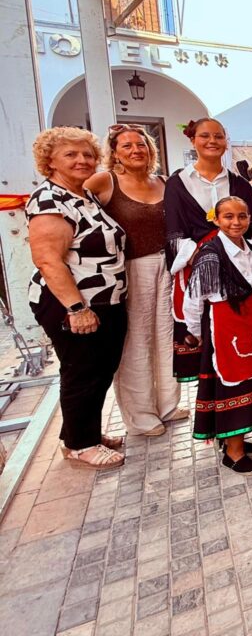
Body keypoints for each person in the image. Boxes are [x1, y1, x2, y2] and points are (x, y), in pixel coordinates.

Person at [27, 128, 128, 469]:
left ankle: (79, 433)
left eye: (87, 154)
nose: (82, 160)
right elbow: (47, 259)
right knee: (82, 371)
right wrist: (76, 308)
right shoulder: (49, 200)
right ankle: (81, 445)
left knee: (98, 370)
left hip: (102, 299)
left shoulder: (82, 195)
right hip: (74, 302)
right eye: (70, 154)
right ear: (50, 161)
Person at [84, 124, 186, 437]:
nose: (135, 150)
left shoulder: (164, 181)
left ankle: (168, 404)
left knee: (166, 336)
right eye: (126, 146)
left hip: (167, 266)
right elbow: (75, 208)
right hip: (129, 269)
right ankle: (141, 416)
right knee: (135, 341)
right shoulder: (105, 180)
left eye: (140, 144)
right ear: (114, 152)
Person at [183, 197, 252, 474]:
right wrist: (194, 332)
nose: (236, 222)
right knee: (234, 385)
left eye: (242, 216)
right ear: (216, 220)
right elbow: (193, 298)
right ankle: (233, 453)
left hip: (250, 322)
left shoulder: (247, 245)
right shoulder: (211, 255)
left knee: (251, 382)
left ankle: (236, 439)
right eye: (228, 217)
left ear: (249, 218)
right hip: (225, 328)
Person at [165, 118, 252, 385]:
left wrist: (238, 257)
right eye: (205, 136)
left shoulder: (239, 183)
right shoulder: (178, 183)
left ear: (225, 141)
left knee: (239, 335)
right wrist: (205, 257)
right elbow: (173, 231)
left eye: (219, 136)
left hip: (238, 269)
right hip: (199, 268)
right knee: (209, 341)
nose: (212, 141)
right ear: (192, 140)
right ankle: (216, 403)